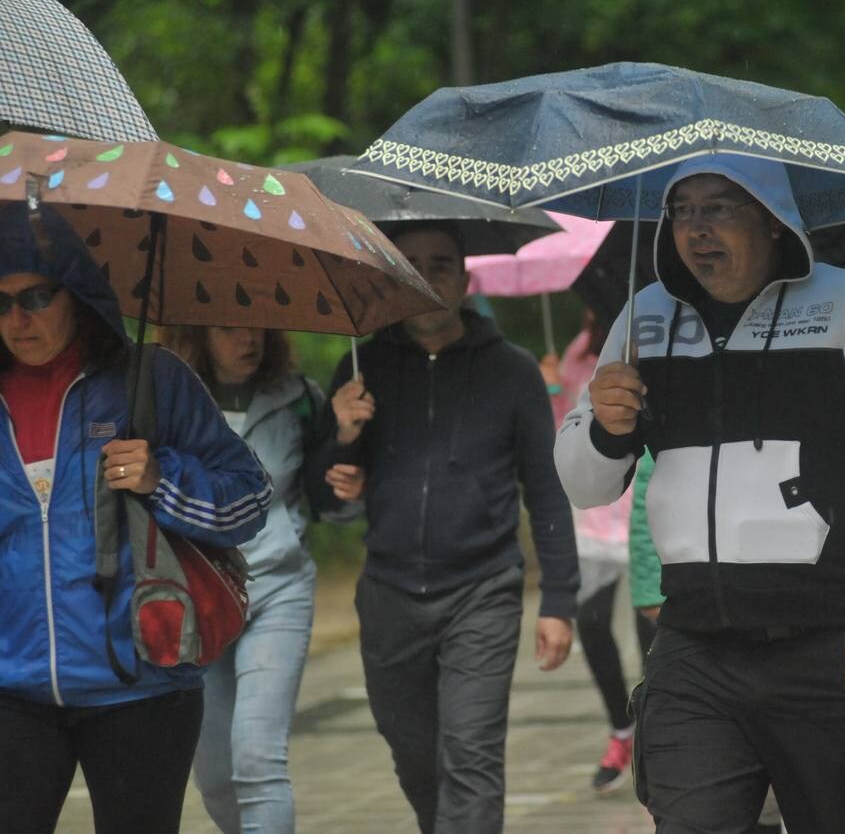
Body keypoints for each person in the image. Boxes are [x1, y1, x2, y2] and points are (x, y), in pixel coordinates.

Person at [555, 153, 845, 833]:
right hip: (691, 649)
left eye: (719, 209)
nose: (696, 229)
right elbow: (584, 486)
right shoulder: (642, 319)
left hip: (825, 647)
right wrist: (607, 427)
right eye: (682, 211)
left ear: (772, 221)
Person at [0, 203, 271, 833]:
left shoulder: (152, 380)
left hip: (143, 685)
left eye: (37, 296)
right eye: (1, 302)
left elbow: (250, 501)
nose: (17, 319)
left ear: (80, 293)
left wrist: (162, 477)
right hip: (12, 690)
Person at [318, 221, 579, 833]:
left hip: (481, 589)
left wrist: (559, 599)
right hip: (388, 592)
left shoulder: (511, 370)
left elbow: (545, 487)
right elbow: (323, 493)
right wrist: (343, 436)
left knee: (471, 752)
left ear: (465, 279)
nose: (428, 275)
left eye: (441, 263)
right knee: (414, 754)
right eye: (410, 264)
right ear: (393, 279)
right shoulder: (360, 370)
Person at [159, 325, 348, 832]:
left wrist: (347, 448)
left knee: (258, 760)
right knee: (216, 775)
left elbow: (334, 503)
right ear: (197, 333)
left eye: (257, 326)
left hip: (278, 588)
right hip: (201, 595)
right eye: (229, 328)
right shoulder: (164, 402)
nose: (248, 340)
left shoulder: (299, 399)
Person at [548, 310, 657, 793]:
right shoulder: (574, 353)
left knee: (650, 638)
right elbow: (566, 434)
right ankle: (622, 729)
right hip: (592, 521)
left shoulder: (651, 336)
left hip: (643, 515)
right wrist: (551, 389)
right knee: (591, 625)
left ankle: (657, 737)